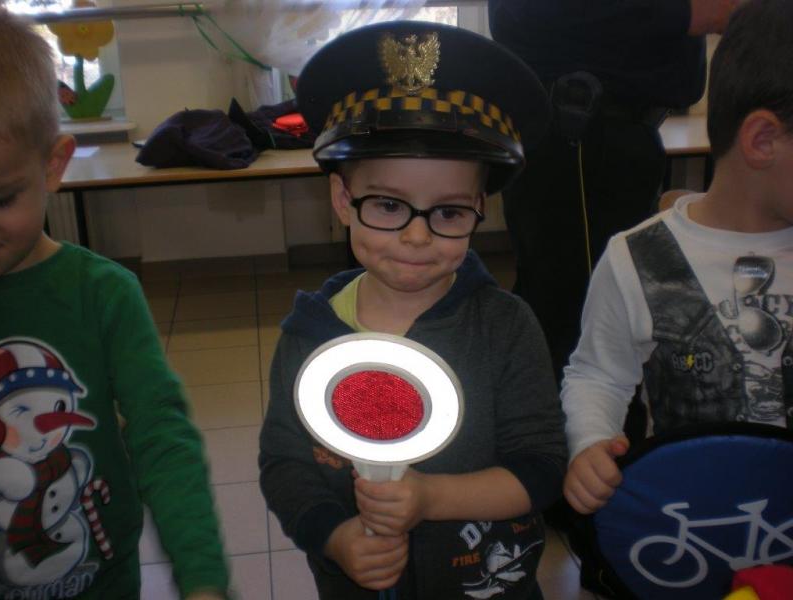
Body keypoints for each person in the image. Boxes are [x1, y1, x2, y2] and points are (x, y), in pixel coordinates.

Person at [259, 21, 568, 599]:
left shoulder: (505, 328)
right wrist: (334, 537)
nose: (417, 237)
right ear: (342, 198)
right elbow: (285, 465)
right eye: (387, 205)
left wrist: (432, 498)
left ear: (479, 208)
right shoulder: (310, 335)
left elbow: (542, 467)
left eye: (448, 212)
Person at [0, 9, 229, 599]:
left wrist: (202, 577)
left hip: (100, 579)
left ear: (53, 164)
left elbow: (161, 435)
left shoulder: (101, 294)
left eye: (0, 198)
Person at [562, 0, 793, 517]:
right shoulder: (638, 259)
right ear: (763, 140)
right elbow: (597, 375)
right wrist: (590, 441)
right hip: (691, 519)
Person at [488, 0, 745, 387]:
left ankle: (586, 414)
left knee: (593, 301)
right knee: (583, 313)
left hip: (605, 130)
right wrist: (686, 11)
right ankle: (575, 422)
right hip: (582, 129)